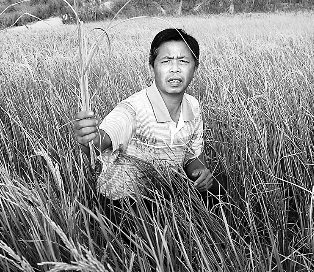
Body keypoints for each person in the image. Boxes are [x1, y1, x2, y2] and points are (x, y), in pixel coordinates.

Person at [73, 28, 214, 229]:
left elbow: (193, 158)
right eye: (166, 61)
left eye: (183, 61)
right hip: (122, 204)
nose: (175, 68)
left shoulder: (193, 107)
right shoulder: (133, 109)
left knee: (218, 192)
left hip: (165, 195)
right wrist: (91, 137)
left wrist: (200, 173)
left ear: (195, 68)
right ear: (152, 67)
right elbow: (103, 140)